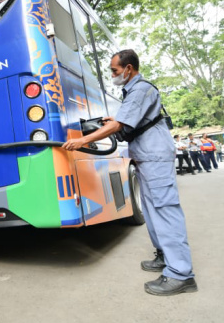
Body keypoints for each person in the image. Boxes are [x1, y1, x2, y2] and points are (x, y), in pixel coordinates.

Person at [62, 49, 197, 296]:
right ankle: (165, 256)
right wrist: (114, 121)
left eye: (114, 71)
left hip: (154, 155)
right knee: (152, 209)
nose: (113, 75)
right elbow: (125, 121)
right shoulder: (133, 91)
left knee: (164, 209)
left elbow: (120, 126)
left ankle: (181, 274)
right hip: (146, 156)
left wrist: (84, 140)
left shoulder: (141, 89)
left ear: (128, 69)